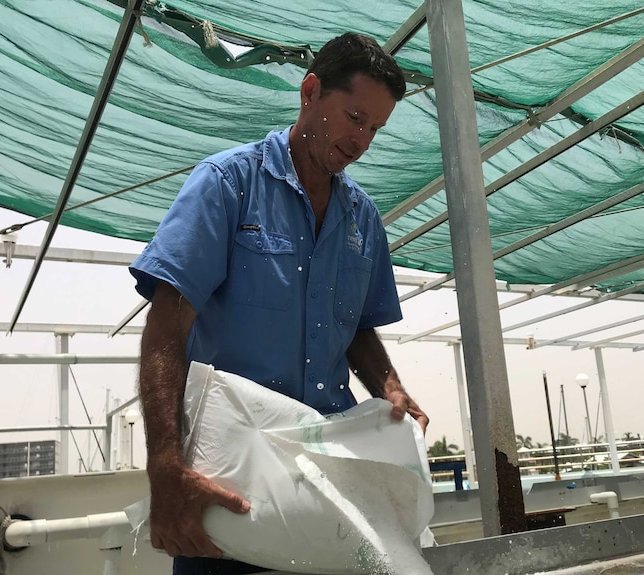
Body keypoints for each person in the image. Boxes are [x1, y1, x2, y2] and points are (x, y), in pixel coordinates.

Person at [129, 32, 429, 575]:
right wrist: (165, 466)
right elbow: (167, 328)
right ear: (310, 91)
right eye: (354, 117)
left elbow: (359, 327)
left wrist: (389, 386)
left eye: (375, 129)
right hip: (231, 474)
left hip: (325, 478)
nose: (362, 140)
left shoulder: (363, 219)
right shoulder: (228, 184)